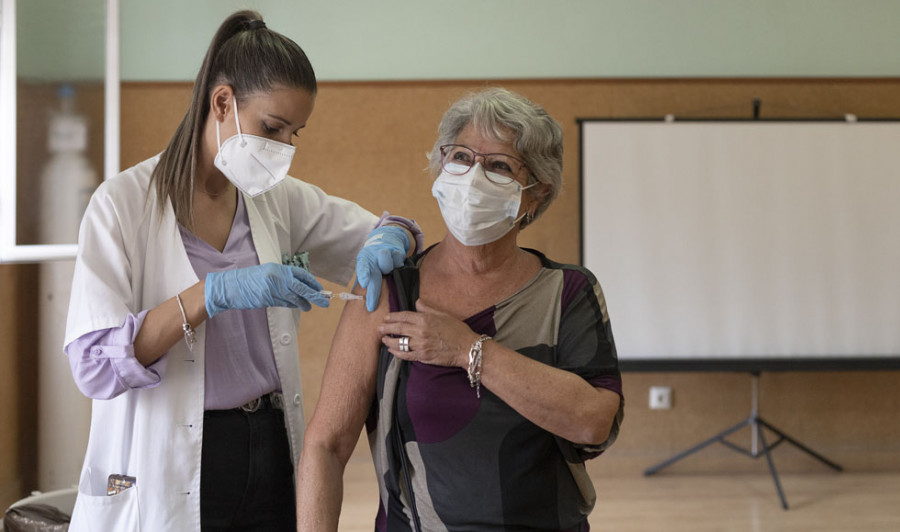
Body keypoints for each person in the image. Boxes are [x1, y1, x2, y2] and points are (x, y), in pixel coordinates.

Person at [63, 10, 422, 531]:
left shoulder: (277, 201)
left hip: (271, 443)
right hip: (173, 454)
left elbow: (390, 231)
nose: (283, 149)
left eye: (294, 133)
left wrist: (393, 237)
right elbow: (94, 364)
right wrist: (212, 293)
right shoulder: (121, 205)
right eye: (271, 128)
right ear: (222, 102)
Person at [297, 88, 624, 531]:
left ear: (535, 195)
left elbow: (593, 423)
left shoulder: (566, 292)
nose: (472, 177)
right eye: (461, 157)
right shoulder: (393, 287)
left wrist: (469, 350)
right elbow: (326, 445)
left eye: (499, 166)